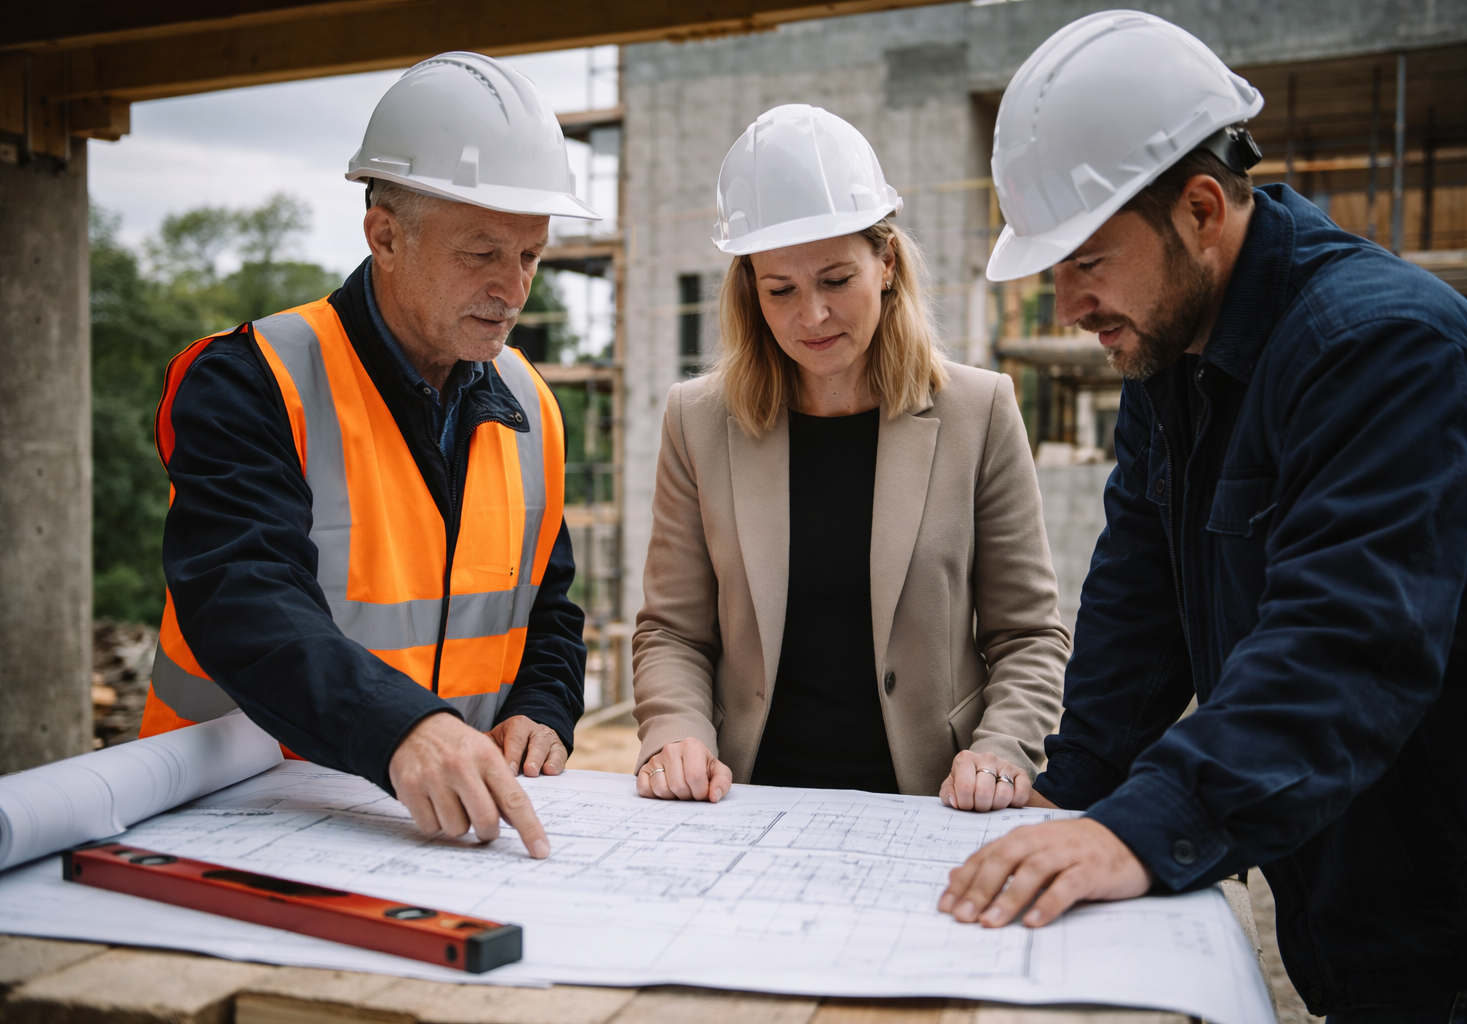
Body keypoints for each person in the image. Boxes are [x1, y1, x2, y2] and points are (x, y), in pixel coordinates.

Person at [937, 12, 1467, 1022]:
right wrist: (1075, 783)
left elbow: (1346, 644)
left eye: (1086, 261)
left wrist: (1144, 827)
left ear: (1203, 209)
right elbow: (1140, 594)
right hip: (1355, 899)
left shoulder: (1387, 352)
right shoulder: (1176, 360)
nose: (1067, 307)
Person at [141, 53, 603, 858]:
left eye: (530, 255)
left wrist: (543, 706)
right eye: (482, 252)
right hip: (242, 821)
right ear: (385, 236)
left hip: (438, 830)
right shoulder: (253, 380)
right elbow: (242, 596)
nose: (514, 288)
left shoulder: (531, 406)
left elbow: (549, 609)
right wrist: (402, 728)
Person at [631, 105, 1069, 808]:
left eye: (836, 280)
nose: (812, 316)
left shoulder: (979, 413)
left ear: (887, 263)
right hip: (745, 804)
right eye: (781, 291)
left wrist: (1001, 747)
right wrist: (676, 731)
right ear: (750, 289)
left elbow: (1029, 636)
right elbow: (673, 632)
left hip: (930, 805)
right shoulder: (697, 422)